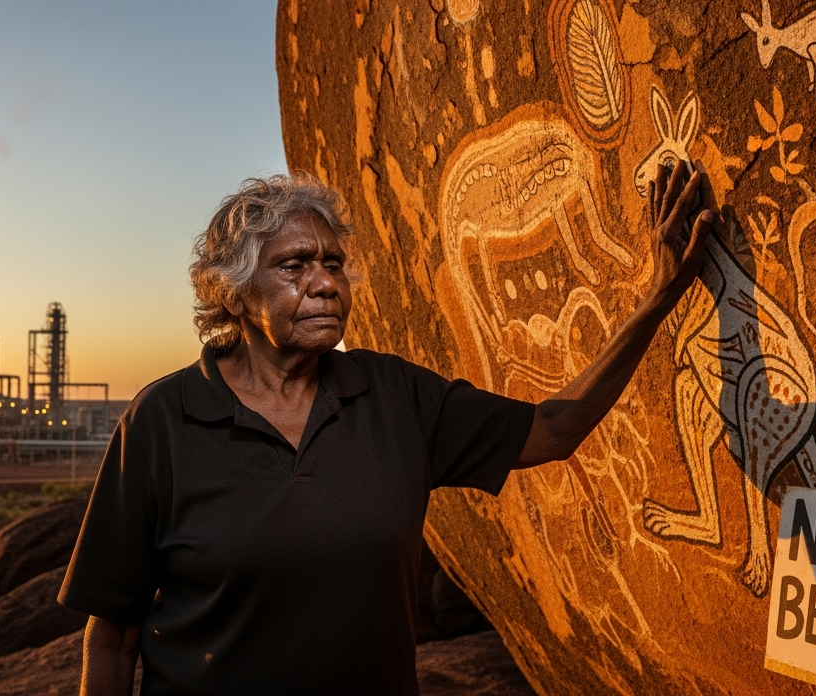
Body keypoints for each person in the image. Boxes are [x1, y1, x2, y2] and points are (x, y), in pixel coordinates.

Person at [59, 162, 715, 694]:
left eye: (334, 264)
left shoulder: (393, 396)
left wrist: (656, 300)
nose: (325, 284)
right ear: (233, 293)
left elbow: (554, 429)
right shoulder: (163, 420)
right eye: (295, 266)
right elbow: (110, 637)